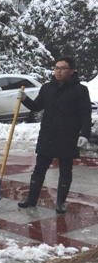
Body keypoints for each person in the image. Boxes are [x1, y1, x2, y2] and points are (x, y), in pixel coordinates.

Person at [17, 57, 92, 214]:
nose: (58, 71)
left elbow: (85, 114)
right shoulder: (47, 88)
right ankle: (31, 199)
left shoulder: (80, 90)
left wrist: (85, 134)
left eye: (62, 68)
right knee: (39, 169)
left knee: (65, 170)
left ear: (71, 71)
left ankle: (60, 202)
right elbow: (36, 106)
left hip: (68, 136)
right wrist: (25, 99)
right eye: (56, 68)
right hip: (48, 135)